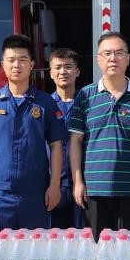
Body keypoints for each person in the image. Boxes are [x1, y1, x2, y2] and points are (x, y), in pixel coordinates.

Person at [69, 32, 130, 236]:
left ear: (128, 59)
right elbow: (75, 141)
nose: (113, 58)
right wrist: (78, 182)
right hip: (94, 190)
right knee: (98, 249)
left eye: (119, 53)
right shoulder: (85, 96)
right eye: (107, 53)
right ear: (98, 59)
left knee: (128, 249)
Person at [0, 34, 65, 236]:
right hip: (0, 192)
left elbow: (56, 146)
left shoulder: (45, 102)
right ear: (3, 65)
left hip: (35, 192)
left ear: (31, 64)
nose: (17, 65)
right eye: (11, 60)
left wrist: (54, 186)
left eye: (23, 60)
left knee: (35, 249)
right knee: (1, 249)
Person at [48, 46, 87, 229]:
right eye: (57, 67)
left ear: (77, 71)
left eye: (68, 67)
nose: (63, 71)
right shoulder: (44, 105)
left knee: (84, 236)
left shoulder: (88, 103)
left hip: (83, 183)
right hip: (53, 183)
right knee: (55, 237)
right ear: (51, 73)